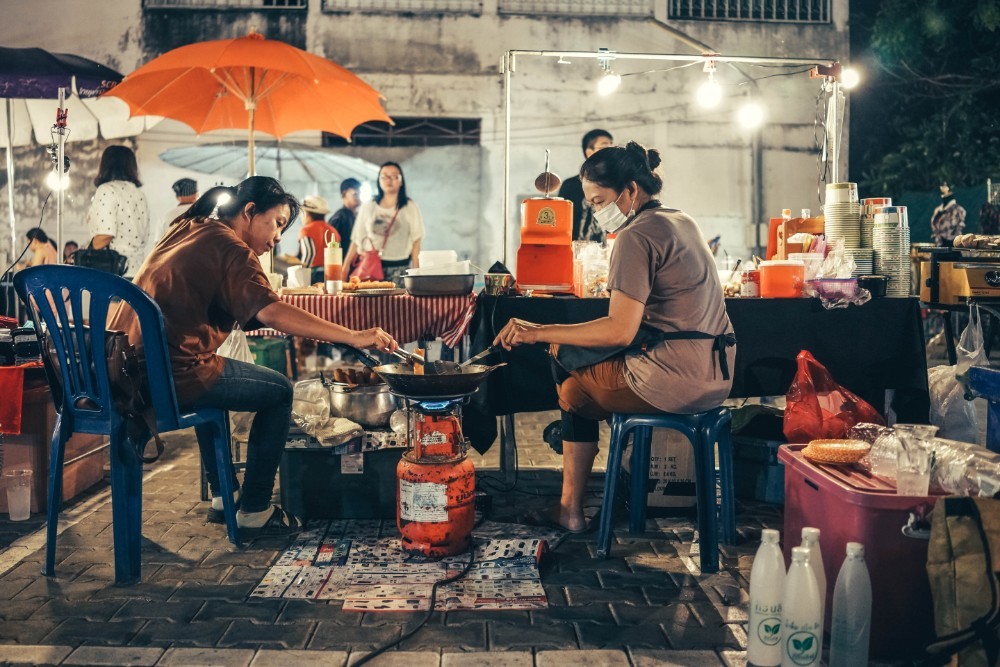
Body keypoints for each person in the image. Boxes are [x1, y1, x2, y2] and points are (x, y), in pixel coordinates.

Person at [108, 176, 399, 538]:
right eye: (276, 223)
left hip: (122, 371)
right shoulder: (231, 247)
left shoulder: (189, 226)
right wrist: (356, 337)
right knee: (278, 390)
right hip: (168, 377)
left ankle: (223, 495)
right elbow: (272, 313)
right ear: (249, 212)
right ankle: (255, 510)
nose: (277, 238)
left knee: (210, 375)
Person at [494, 142, 736, 533]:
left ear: (631, 191)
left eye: (599, 200)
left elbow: (619, 329)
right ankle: (579, 501)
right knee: (573, 391)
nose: (595, 210)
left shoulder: (635, 236)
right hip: (717, 376)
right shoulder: (682, 220)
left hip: (672, 380)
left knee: (564, 362)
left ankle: (571, 509)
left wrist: (537, 332)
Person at [344, 162, 424, 286]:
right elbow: (356, 240)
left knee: (398, 305)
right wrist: (344, 269)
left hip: (399, 270)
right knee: (368, 306)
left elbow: (416, 242)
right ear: (379, 180)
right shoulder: (369, 206)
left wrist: (417, 273)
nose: (389, 180)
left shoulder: (409, 207)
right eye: (384, 176)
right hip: (369, 269)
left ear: (401, 181)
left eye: (394, 176)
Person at [85, 145, 150, 276]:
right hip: (138, 271)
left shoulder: (107, 190)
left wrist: (89, 250)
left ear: (105, 165)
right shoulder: (139, 194)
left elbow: (106, 234)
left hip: (115, 273)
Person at [557, 129, 614, 242]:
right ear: (589, 152)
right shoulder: (570, 186)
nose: (610, 153)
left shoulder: (616, 184)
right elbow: (561, 223)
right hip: (576, 251)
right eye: (604, 148)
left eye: (612, 148)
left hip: (608, 252)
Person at [298, 195, 338, 284]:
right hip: (332, 275)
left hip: (314, 276)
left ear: (307, 213)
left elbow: (309, 254)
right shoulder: (333, 230)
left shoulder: (306, 230)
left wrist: (301, 275)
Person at [329, 177, 361, 248]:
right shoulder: (339, 218)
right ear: (344, 194)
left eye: (359, 194)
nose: (358, 197)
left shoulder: (358, 216)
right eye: (355, 194)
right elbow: (332, 246)